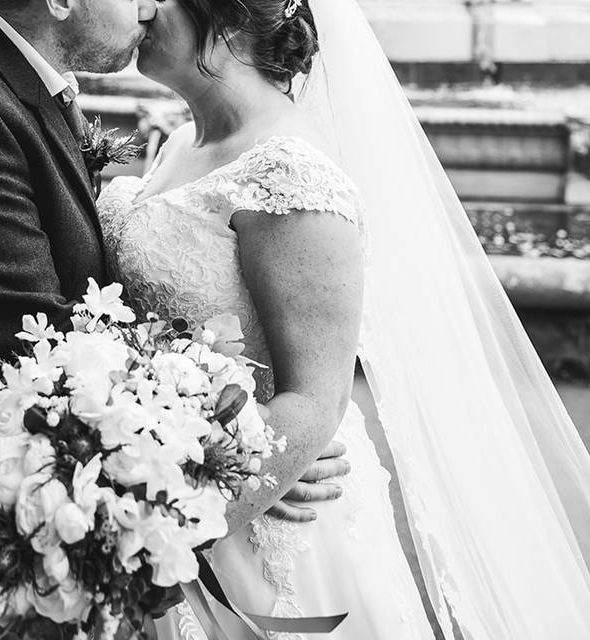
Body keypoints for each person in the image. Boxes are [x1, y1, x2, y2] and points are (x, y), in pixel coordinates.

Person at [0, 0, 348, 637]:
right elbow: (42, 355)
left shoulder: (25, 86)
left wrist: (258, 457)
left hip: (36, 517)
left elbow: (306, 386)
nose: (145, 7)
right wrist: (224, 470)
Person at [97, 0, 590, 637]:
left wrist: (165, 524)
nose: (138, 6)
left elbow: (313, 401)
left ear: (229, 15)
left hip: (253, 535)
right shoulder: (184, 140)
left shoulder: (289, 172)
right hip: (175, 482)